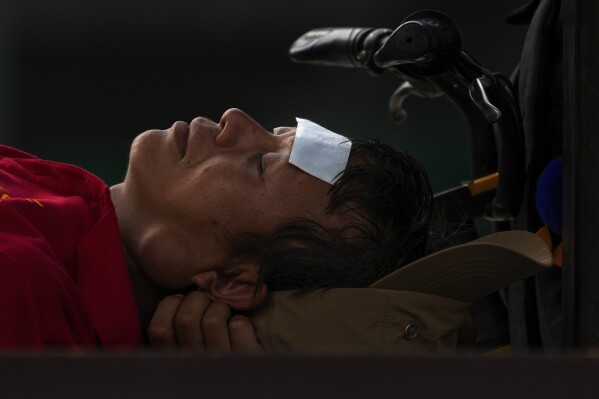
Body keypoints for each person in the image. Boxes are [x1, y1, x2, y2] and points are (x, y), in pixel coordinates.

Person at [0, 108, 434, 350]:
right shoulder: (59, 199)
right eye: (276, 132)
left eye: (259, 165)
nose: (235, 120)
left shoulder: (22, 291)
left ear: (230, 279)